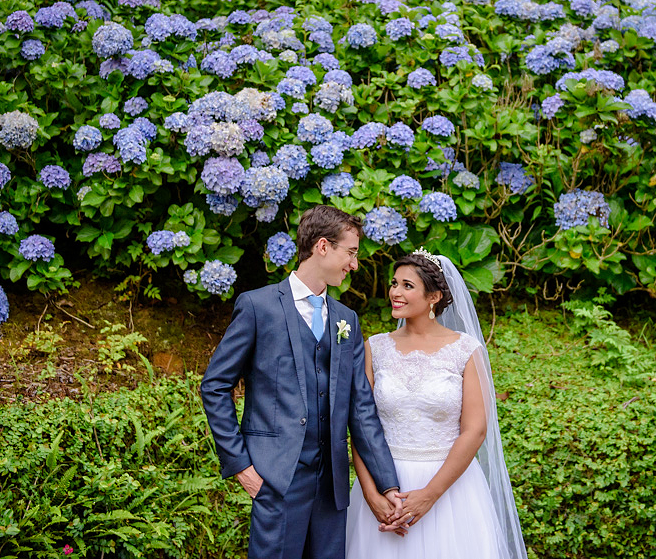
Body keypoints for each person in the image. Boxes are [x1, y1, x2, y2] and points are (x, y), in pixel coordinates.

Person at [201, 205, 404, 559]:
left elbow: (361, 407)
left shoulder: (347, 320)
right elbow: (215, 386)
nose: (354, 264)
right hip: (276, 479)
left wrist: (388, 483)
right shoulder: (257, 306)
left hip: (332, 487)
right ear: (323, 246)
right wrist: (241, 467)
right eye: (351, 253)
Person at [345, 248, 527, 559]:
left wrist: (429, 496)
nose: (395, 293)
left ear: (434, 297)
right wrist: (371, 494)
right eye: (394, 283)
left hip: (449, 489)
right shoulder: (374, 347)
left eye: (407, 286)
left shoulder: (466, 350)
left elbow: (475, 431)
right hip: (386, 484)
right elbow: (361, 425)